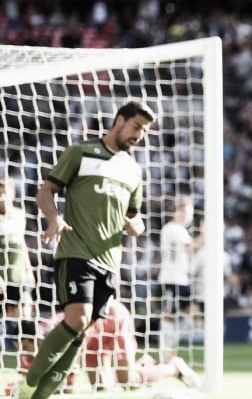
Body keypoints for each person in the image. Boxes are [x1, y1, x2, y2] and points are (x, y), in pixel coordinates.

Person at [13, 101, 155, 399]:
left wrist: (137, 225)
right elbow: (45, 191)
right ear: (119, 120)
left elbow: (135, 215)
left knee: (80, 331)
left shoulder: (133, 170)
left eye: (144, 130)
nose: (140, 135)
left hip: (110, 261)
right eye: (137, 127)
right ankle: (26, 387)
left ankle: (37, 397)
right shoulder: (80, 152)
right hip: (76, 252)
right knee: (77, 319)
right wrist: (55, 217)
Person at [82, 299, 200, 391]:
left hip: (115, 319)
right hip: (91, 335)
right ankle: (142, 365)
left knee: (129, 382)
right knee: (100, 386)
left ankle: (172, 368)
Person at [157, 195, 204, 361]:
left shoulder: (179, 230)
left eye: (189, 214)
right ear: (175, 212)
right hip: (171, 279)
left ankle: (169, 348)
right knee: (170, 315)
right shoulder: (173, 229)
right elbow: (191, 247)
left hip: (181, 280)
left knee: (193, 314)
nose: (187, 217)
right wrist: (206, 234)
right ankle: (165, 353)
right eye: (183, 212)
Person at [1, 178, 35, 320]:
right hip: (2, 277)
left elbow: (22, 243)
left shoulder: (19, 215)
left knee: (24, 318)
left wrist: (29, 270)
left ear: (13, 193)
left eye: (4, 191)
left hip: (19, 276)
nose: (2, 195)